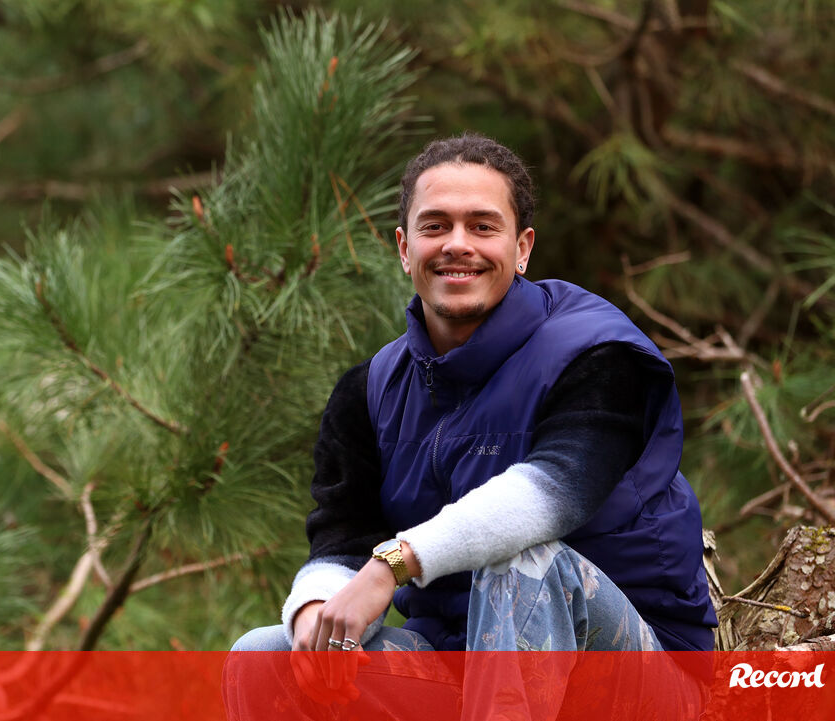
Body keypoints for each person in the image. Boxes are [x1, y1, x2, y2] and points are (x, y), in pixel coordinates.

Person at [225, 133, 717, 718]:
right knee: (264, 658)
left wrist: (393, 564)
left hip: (636, 679)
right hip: (462, 671)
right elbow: (343, 537)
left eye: (483, 226)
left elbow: (551, 495)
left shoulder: (599, 354)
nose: (457, 244)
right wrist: (318, 613)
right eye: (435, 226)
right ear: (405, 248)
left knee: (521, 562)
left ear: (522, 247)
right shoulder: (370, 389)